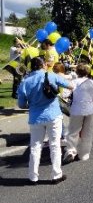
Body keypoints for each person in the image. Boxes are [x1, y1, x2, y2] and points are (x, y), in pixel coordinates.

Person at [17, 57, 73, 185]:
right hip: (53, 115)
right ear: (43, 65)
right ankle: (56, 175)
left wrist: (32, 104)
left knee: (35, 147)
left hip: (35, 118)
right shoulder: (51, 76)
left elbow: (21, 104)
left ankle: (33, 177)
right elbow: (70, 85)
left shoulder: (25, 81)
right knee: (55, 145)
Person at [63, 63, 93, 164]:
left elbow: (64, 94)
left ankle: (70, 150)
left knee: (73, 131)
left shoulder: (73, 82)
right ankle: (84, 154)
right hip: (90, 109)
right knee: (87, 132)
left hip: (76, 109)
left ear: (77, 72)